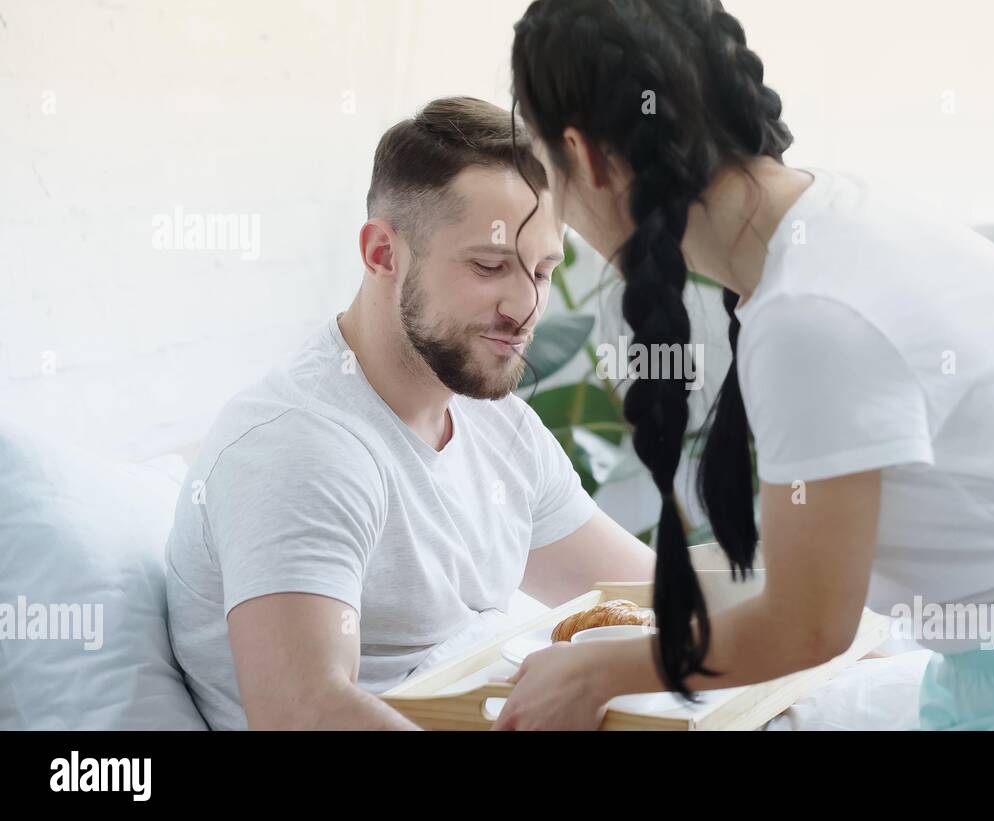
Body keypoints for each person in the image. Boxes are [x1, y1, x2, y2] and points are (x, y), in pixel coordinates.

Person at [491, 0, 994, 730]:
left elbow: (808, 625)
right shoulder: (835, 226)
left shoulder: (812, 310)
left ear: (586, 156)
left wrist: (597, 672)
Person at [164, 96, 655, 730]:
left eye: (541, 270)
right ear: (382, 254)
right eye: (489, 266)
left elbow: (641, 594)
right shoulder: (298, 447)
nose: (526, 307)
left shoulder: (494, 425)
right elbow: (302, 713)